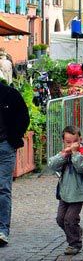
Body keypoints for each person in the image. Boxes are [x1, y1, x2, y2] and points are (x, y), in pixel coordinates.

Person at [47, 126, 83, 256]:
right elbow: (52, 165)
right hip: (64, 193)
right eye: (68, 142)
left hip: (78, 194)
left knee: (70, 219)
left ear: (80, 140)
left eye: (74, 141)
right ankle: (76, 231)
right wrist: (64, 154)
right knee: (60, 219)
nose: (71, 145)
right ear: (64, 141)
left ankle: (74, 243)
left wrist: (76, 153)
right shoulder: (64, 154)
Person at [0, 82, 30, 247]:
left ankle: (2, 230)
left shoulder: (10, 94)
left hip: (5, 147)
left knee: (3, 188)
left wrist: (13, 139)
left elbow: (23, 117)